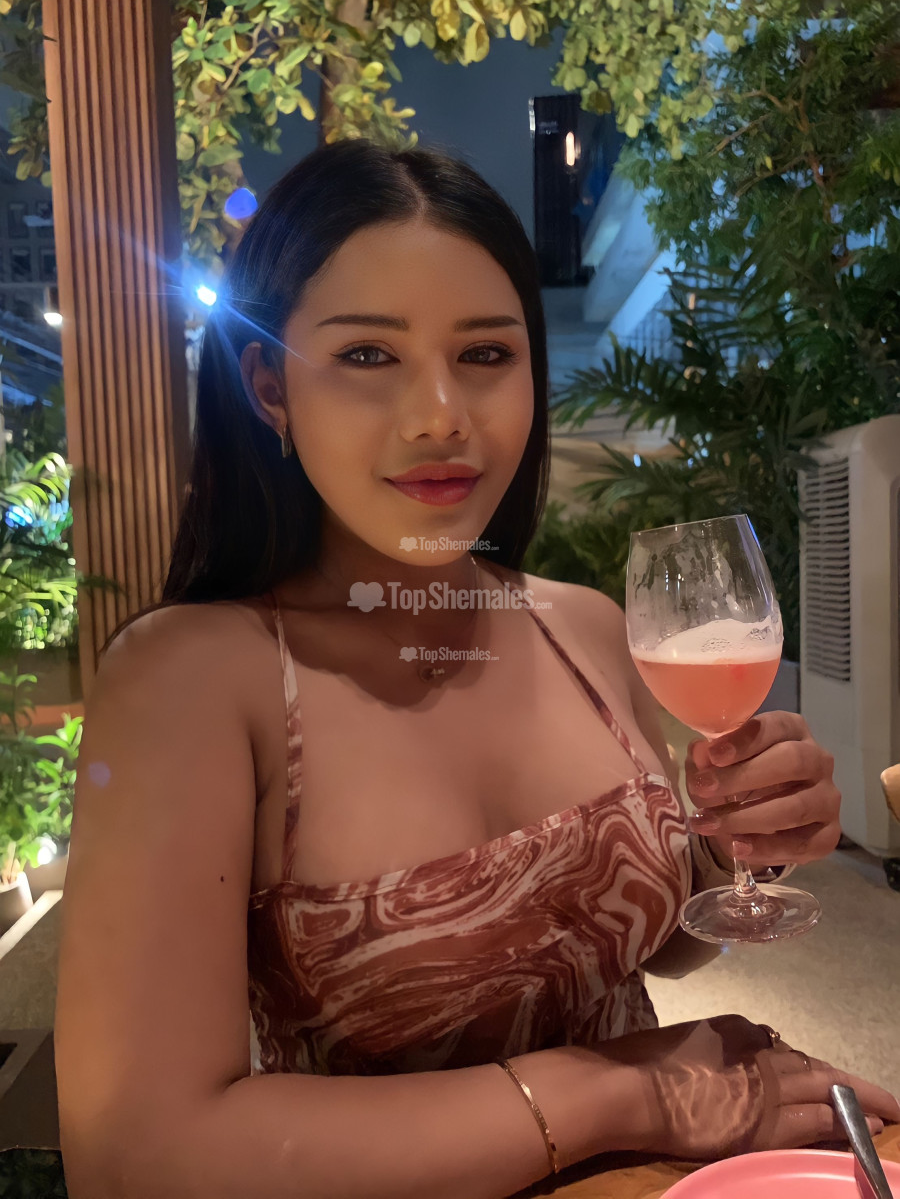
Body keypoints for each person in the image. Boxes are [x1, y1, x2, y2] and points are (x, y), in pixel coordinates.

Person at [54, 138, 899, 1199]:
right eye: (369, 355)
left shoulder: (584, 627)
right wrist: (621, 1095)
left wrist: (738, 847)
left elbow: (656, 950)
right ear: (270, 386)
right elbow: (135, 1157)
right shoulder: (194, 680)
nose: (442, 416)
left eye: (487, 354)